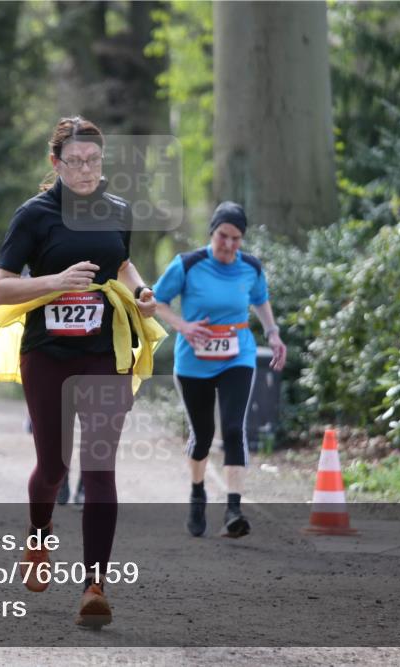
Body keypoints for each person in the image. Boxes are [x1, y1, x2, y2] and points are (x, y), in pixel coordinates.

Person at [0, 116, 158, 627]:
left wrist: (141, 291)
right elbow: (0, 289)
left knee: (100, 467)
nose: (85, 170)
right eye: (75, 161)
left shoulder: (119, 211)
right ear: (55, 163)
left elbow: (121, 264)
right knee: (54, 468)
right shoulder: (34, 216)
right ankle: (38, 538)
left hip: (104, 352)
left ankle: (94, 587)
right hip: (47, 355)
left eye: (94, 161)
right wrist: (55, 282)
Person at [152, 201, 286, 538]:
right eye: (223, 236)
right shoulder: (187, 264)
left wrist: (273, 333)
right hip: (193, 362)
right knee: (203, 436)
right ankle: (198, 493)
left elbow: (260, 299)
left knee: (232, 427)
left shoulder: (250, 267)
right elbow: (156, 301)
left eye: (236, 238)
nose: (228, 244)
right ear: (212, 232)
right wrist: (183, 326)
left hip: (236, 356)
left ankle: (233, 509)